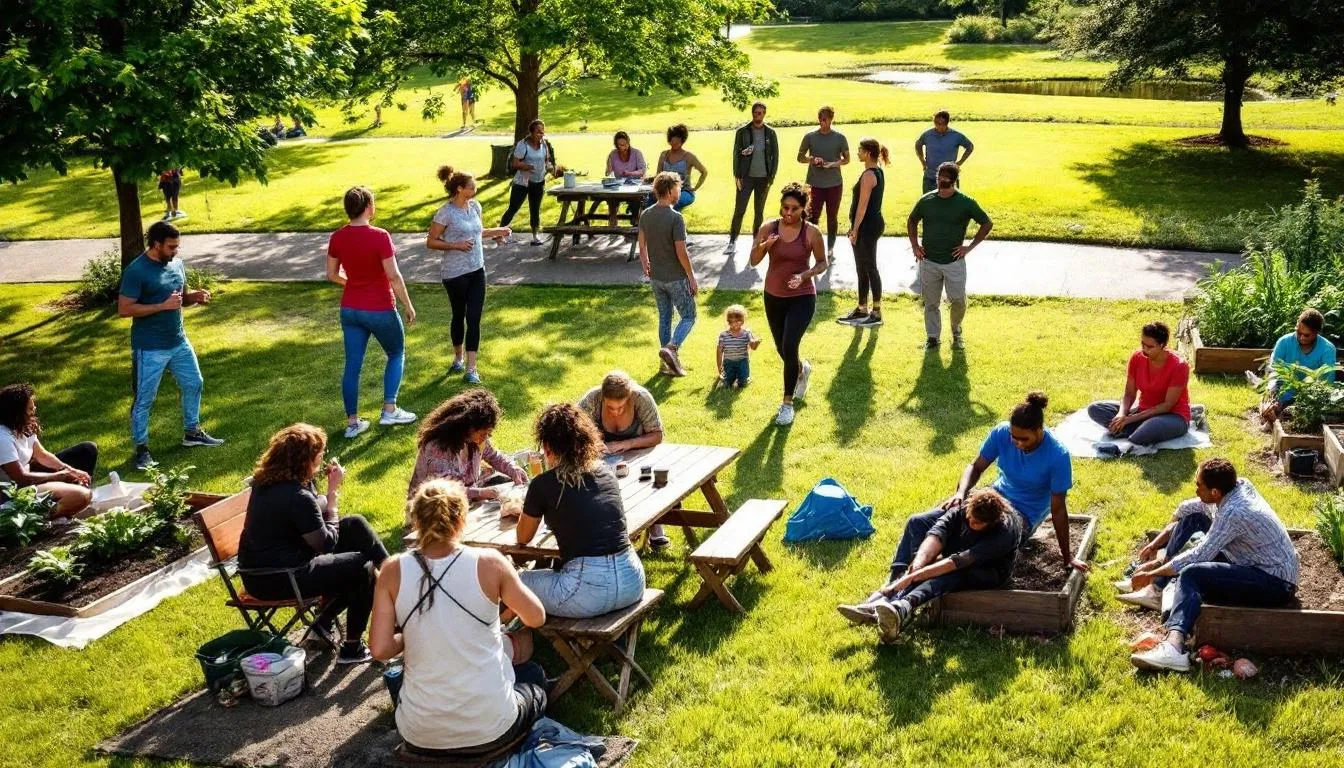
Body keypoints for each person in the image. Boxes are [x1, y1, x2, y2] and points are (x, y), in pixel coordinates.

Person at [370, 479, 548, 759]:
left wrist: (410, 635)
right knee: (534, 680)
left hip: (419, 734)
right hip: (491, 728)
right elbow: (536, 617)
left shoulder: (392, 570)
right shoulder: (490, 562)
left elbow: (380, 649)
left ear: (416, 521)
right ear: (462, 519)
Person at [237, 423, 390, 664]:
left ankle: (395, 577)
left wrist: (324, 491)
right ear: (304, 460)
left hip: (263, 570)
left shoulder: (268, 483)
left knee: (354, 524)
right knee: (363, 567)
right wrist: (332, 498)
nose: (322, 459)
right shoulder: (295, 496)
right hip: (280, 577)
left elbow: (310, 513)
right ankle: (351, 648)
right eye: (319, 455)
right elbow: (326, 543)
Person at [1128, 459, 1298, 672]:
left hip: (1275, 583)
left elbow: (1198, 555)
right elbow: (1193, 507)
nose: (1195, 489)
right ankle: (1156, 590)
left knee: (1191, 574)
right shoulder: (1239, 485)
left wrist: (1151, 573)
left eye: (1198, 485)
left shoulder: (1233, 512)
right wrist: (1156, 546)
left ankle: (1174, 649)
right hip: (1255, 563)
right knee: (1194, 517)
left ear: (1215, 492)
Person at [837, 489, 1022, 642]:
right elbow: (938, 533)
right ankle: (884, 598)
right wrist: (917, 566)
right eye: (969, 518)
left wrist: (914, 576)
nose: (970, 522)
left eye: (977, 523)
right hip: (961, 551)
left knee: (952, 573)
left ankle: (903, 607)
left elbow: (957, 563)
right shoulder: (968, 507)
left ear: (991, 523)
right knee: (919, 543)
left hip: (989, 571)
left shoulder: (1003, 534)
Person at [517, 404, 647, 617]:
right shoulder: (606, 473)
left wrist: (523, 508)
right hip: (632, 581)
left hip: (586, 592)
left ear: (547, 447)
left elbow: (523, 537)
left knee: (513, 581)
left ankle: (506, 630)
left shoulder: (543, 484)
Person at [940, 392, 1088, 572]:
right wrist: (960, 493)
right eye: (1014, 437)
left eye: (1024, 439)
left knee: (989, 538)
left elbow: (1058, 510)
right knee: (944, 517)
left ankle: (944, 566)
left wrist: (1067, 557)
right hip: (996, 496)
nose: (1018, 443)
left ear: (1039, 429)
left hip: (1024, 513)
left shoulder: (1058, 456)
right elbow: (976, 467)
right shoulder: (1001, 433)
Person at [118, 220, 224, 471]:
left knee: (194, 383)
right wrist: (161, 306)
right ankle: (142, 449)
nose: (176, 251)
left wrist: (194, 297)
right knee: (144, 399)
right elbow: (124, 309)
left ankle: (192, 432)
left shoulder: (176, 264)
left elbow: (180, 299)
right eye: (171, 247)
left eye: (177, 246)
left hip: (178, 341)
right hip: (150, 347)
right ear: (156, 244)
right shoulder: (136, 271)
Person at [327, 186, 418, 439]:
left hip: (350, 309)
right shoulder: (380, 236)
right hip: (379, 308)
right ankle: (389, 410)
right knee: (396, 353)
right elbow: (394, 276)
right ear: (368, 207)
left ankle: (352, 424)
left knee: (352, 366)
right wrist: (408, 305)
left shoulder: (337, 237)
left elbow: (331, 274)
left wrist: (353, 283)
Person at [749, 183, 829, 427]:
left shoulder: (811, 233)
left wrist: (804, 276)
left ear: (803, 209)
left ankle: (787, 404)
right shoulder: (769, 227)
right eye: (785, 207)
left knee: (790, 344)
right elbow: (753, 260)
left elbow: (822, 263)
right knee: (782, 349)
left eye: (794, 209)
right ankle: (801, 371)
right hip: (773, 296)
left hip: (802, 297)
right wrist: (766, 245)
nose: (788, 213)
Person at [427, 166, 510, 385]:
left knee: (474, 318)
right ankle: (458, 358)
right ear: (459, 189)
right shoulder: (445, 212)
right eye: (472, 186)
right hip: (454, 274)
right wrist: (455, 245)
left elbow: (478, 232)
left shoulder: (475, 207)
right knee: (458, 315)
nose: (475, 189)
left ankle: (472, 369)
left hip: (477, 269)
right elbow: (431, 241)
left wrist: (499, 231)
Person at [577, 371, 668, 549]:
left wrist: (627, 443)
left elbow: (657, 435)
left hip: (640, 454)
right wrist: (593, 445)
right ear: (603, 397)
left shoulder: (641, 398)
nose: (616, 412)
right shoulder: (592, 399)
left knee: (647, 480)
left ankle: (655, 525)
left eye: (621, 406)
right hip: (603, 458)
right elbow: (575, 431)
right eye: (611, 407)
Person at [907, 162, 992, 350]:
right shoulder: (926, 200)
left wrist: (969, 247)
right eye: (940, 176)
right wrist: (915, 246)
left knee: (958, 300)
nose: (942, 181)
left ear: (954, 181)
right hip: (929, 261)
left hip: (954, 262)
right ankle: (932, 338)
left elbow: (987, 223)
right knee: (931, 302)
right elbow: (912, 220)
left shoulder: (966, 203)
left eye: (946, 178)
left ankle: (956, 329)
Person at [407, 389, 528, 505]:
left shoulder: (475, 439)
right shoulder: (437, 449)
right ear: (466, 427)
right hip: (435, 507)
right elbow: (447, 491)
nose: (485, 438)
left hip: (466, 498)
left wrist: (512, 469)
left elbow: (493, 456)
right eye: (482, 434)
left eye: (488, 434)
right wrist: (481, 493)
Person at [1086, 321, 1192, 446]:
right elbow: (1129, 393)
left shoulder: (1179, 366)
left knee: (1149, 429)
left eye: (1150, 347)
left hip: (1172, 415)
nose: (1144, 349)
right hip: (1142, 412)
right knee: (1095, 409)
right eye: (1143, 344)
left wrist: (1130, 419)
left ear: (1162, 345)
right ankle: (1127, 428)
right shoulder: (1137, 357)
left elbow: (1167, 406)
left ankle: (1129, 433)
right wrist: (1121, 414)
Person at [0, 383, 96, 518]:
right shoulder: (2, 438)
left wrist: (70, 470)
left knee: (87, 449)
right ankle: (41, 520)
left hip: (28, 479)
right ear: (17, 413)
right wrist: (59, 476)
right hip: (13, 493)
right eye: (30, 408)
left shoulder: (22, 427)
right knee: (82, 495)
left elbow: (42, 455)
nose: (34, 409)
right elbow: (20, 479)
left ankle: (64, 503)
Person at [639, 172, 698, 377]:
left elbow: (641, 244)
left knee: (665, 317)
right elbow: (681, 252)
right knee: (689, 316)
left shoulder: (646, 214)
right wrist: (691, 277)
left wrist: (645, 263)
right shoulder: (676, 218)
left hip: (656, 278)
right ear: (671, 190)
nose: (680, 191)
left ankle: (667, 365)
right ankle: (672, 348)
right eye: (678, 188)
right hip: (676, 278)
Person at [1252, 309, 1336, 428]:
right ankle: (1272, 413)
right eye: (1298, 332)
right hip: (1283, 390)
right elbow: (1274, 372)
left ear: (1316, 333)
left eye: (1306, 335)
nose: (1301, 337)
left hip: (1310, 396)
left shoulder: (1327, 349)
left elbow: (1326, 382)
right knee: (1271, 405)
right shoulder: (1284, 342)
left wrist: (1309, 398)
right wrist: (1272, 393)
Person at [838, 138, 890, 328]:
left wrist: (855, 229)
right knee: (862, 268)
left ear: (868, 153)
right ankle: (862, 308)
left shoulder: (869, 175)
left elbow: (862, 206)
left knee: (870, 267)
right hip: (867, 225)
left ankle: (876, 312)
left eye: (860, 150)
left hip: (868, 226)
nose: (857, 152)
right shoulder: (876, 171)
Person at [726, 102, 778, 256]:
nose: (757, 115)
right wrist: (737, 175)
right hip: (746, 177)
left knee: (759, 212)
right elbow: (736, 155)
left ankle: (756, 241)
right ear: (752, 113)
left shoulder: (771, 133)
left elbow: (775, 156)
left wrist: (771, 177)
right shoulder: (742, 132)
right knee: (739, 210)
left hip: (763, 178)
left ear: (764, 114)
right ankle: (732, 241)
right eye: (755, 112)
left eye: (760, 113)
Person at [797, 106, 850, 253]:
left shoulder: (840, 138)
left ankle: (830, 248)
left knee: (832, 217)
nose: (822, 122)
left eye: (825, 119)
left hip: (834, 184)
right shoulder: (810, 137)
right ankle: (809, 246)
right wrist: (811, 159)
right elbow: (800, 157)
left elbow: (847, 159)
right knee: (812, 216)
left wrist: (832, 164)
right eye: (820, 119)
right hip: (815, 183)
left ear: (831, 119)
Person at [500, 119, 558, 246]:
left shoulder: (544, 144)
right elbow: (515, 163)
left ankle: (535, 236)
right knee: (513, 208)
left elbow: (547, 160)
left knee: (535, 209)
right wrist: (528, 166)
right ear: (531, 132)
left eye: (542, 132)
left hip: (538, 181)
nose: (541, 134)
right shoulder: (523, 144)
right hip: (522, 182)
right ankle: (499, 234)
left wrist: (550, 168)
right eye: (538, 132)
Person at [915, 110, 973, 194]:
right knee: (928, 201)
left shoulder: (956, 136)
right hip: (930, 176)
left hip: (950, 178)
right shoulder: (927, 135)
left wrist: (959, 163)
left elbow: (970, 147)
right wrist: (922, 161)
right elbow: (918, 145)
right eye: (936, 123)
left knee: (951, 201)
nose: (939, 126)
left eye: (942, 123)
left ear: (947, 123)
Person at [651, 124, 707, 211]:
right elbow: (658, 175)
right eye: (673, 139)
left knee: (672, 202)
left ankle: (673, 219)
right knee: (648, 200)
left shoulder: (689, 156)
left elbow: (704, 172)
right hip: (665, 191)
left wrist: (695, 188)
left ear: (682, 140)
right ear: (669, 140)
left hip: (684, 191)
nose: (675, 142)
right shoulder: (664, 155)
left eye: (678, 139)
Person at [605, 131, 647, 222]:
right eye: (620, 145)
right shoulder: (613, 154)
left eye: (625, 144)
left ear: (628, 142)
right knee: (611, 200)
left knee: (637, 200)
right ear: (616, 145)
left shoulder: (636, 153)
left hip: (634, 186)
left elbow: (642, 171)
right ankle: (613, 225)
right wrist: (609, 164)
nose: (623, 147)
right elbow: (608, 174)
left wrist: (630, 173)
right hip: (618, 187)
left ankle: (635, 221)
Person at [717, 304, 761, 388]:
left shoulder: (747, 333)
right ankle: (727, 378)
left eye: (738, 321)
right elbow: (719, 351)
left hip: (742, 362)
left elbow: (753, 347)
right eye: (732, 322)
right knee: (727, 384)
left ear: (743, 320)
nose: (735, 324)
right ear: (728, 321)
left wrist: (756, 343)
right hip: (728, 362)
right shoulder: (723, 335)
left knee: (743, 384)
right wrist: (719, 366)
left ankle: (744, 378)